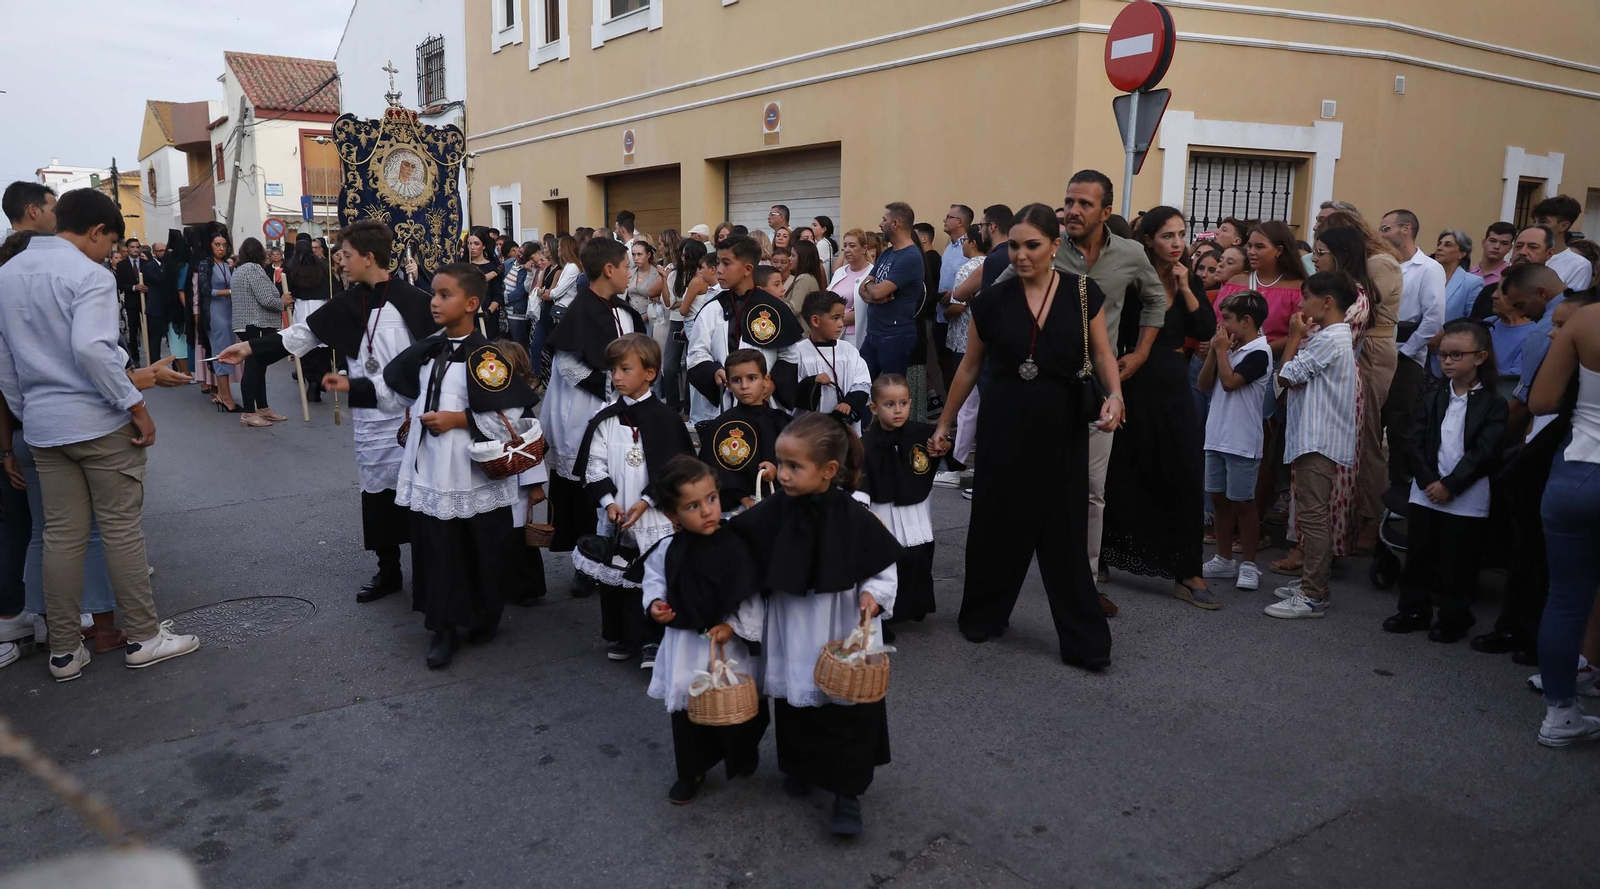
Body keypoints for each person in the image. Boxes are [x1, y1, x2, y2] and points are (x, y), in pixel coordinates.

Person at [0, 189, 201, 680]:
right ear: (95, 232)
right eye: (110, 243)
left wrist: (33, 411)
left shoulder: (6, 276)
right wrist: (137, 407)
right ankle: (144, 637)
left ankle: (64, 651)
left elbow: (4, 365)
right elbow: (93, 349)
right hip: (96, 420)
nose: (110, 253)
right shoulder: (88, 274)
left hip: (44, 426)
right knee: (120, 530)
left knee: (60, 537)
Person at [929, 204, 1124, 666]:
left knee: (1064, 532)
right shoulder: (992, 301)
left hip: (1062, 424)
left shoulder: (1082, 293)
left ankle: (1082, 640)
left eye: (1032, 245)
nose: (1020, 254)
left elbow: (1102, 353)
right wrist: (945, 422)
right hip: (1004, 421)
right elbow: (970, 367)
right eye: (1014, 245)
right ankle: (983, 616)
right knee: (997, 523)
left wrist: (1115, 395)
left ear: (1055, 246)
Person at [218, 221, 437, 603]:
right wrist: (250, 350)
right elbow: (301, 334)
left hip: (411, 414)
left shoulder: (415, 300)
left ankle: (430, 575)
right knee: (377, 494)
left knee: (419, 496)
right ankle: (389, 571)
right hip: (370, 414)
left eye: (347, 254)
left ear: (370, 257)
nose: (340, 261)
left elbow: (438, 358)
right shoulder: (348, 302)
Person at [346, 263, 542, 668]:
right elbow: (393, 394)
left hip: (472, 471)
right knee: (437, 549)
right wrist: (352, 387)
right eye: (433, 294)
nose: (434, 302)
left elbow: (511, 417)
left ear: (472, 304)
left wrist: (460, 420)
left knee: (480, 546)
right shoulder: (427, 350)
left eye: (444, 295)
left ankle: (485, 614)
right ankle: (444, 628)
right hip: (431, 470)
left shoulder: (488, 359)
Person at [729, 412, 900, 836]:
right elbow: (738, 544)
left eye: (793, 466)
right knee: (795, 700)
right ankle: (800, 765)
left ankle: (847, 793)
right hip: (792, 623)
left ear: (827, 471)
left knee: (845, 707)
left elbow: (882, 564)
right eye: (780, 463)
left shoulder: (855, 516)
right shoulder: (772, 511)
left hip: (840, 623)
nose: (781, 474)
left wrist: (873, 596)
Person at [1100, 207, 1219, 608]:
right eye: (1168, 236)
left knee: (1184, 472)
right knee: (1122, 468)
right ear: (1148, 240)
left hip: (1171, 379)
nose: (1177, 243)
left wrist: (1186, 288)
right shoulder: (1132, 277)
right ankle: (1102, 554)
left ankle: (1188, 572)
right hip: (1130, 377)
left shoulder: (1189, 278)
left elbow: (1204, 331)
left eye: (1182, 235)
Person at [632, 454, 767, 804]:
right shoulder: (667, 549)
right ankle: (691, 770)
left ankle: (743, 751)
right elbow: (654, 580)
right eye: (693, 506)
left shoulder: (736, 546)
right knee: (689, 709)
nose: (707, 511)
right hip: (688, 645)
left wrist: (732, 626)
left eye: (711, 499)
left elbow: (750, 595)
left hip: (728, 646)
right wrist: (655, 604)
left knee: (740, 705)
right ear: (673, 516)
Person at [1382, 318, 1506, 642]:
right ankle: (1413, 609)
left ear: (1480, 357)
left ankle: (1454, 616)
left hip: (1466, 494)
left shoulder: (1494, 403)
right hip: (1427, 490)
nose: (1447, 361)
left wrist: (1451, 485)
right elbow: (1414, 439)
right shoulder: (1434, 396)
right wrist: (1428, 481)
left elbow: (1485, 451)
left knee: (1458, 562)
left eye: (1456, 355)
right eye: (1443, 355)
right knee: (1420, 553)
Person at [574, 333, 694, 666]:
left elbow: (675, 468)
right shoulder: (606, 418)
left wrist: (646, 502)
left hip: (653, 515)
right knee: (617, 573)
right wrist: (609, 502)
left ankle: (654, 640)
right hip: (616, 514)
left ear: (650, 373)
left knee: (653, 575)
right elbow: (594, 464)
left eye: (626, 369)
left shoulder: (666, 419)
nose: (616, 377)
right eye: (614, 370)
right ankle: (623, 635)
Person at [539, 237, 645, 574]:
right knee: (584, 489)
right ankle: (584, 562)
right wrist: (611, 386)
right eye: (627, 266)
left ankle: (616, 551)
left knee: (618, 481)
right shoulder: (580, 310)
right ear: (609, 269)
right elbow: (567, 364)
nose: (631, 272)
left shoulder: (621, 309)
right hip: (584, 410)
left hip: (620, 410)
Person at [1526, 293, 1600, 747]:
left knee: (1566, 599)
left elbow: (1542, 401)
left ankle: (1560, 714)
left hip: (1577, 471)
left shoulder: (1587, 319)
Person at [1262, 272, 1359, 620]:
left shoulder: (1329, 340)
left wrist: (1292, 337)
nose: (1301, 305)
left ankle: (1313, 594)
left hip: (1318, 439)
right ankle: (1314, 583)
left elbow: (1286, 375)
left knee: (1313, 517)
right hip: (1314, 436)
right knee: (1311, 515)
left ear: (1327, 302)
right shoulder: (1331, 337)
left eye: (1306, 297)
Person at [1317, 210, 1404, 556]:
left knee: (1366, 432)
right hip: (1350, 342)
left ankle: (1369, 517)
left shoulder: (1381, 263)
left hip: (1371, 346)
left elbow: (1353, 305)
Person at [1199, 290, 1273, 592]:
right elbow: (1204, 384)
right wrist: (1214, 353)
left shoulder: (1258, 352)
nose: (1222, 324)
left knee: (1243, 502)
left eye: (1226, 318)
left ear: (1246, 321)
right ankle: (1224, 558)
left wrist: (1219, 352)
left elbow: (1230, 384)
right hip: (1216, 435)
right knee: (1218, 499)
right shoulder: (1229, 349)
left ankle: (1250, 564)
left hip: (1242, 441)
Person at [686, 236, 803, 423]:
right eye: (718, 263)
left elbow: (789, 355)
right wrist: (714, 371)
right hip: (724, 406)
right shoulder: (712, 310)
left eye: (726, 263)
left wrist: (773, 383)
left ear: (748, 269)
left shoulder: (774, 310)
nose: (719, 270)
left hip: (765, 407)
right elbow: (696, 353)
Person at [861, 374, 939, 638]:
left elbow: (941, 443)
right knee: (887, 562)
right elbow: (860, 478)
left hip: (912, 507)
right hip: (884, 510)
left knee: (918, 556)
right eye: (890, 404)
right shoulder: (866, 444)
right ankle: (881, 617)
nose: (898, 410)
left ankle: (913, 604)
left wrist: (944, 445)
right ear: (874, 407)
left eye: (904, 403)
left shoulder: (918, 431)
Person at [1380, 208, 1447, 492]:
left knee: (1400, 424)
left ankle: (1400, 487)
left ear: (1405, 229)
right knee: (1371, 420)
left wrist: (1406, 351)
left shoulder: (1429, 268)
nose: (1380, 233)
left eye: (1386, 228)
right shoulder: (1381, 264)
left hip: (1406, 355)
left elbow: (1433, 318)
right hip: (1378, 351)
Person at [695, 349, 788, 512]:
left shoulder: (782, 422)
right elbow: (715, 471)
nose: (744, 386)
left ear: (766, 380)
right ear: (728, 385)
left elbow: (797, 460)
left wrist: (777, 468)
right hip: (737, 508)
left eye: (752, 378)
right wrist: (742, 497)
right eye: (737, 380)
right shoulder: (723, 424)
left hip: (779, 503)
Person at [495, 339, 550, 606]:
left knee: (520, 538)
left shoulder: (522, 407)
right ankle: (504, 584)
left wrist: (536, 484)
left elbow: (535, 446)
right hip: (497, 479)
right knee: (501, 535)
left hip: (520, 481)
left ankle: (528, 588)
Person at [859, 203, 926, 380]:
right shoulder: (888, 253)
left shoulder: (910, 257)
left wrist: (874, 291)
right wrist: (873, 293)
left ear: (895, 224)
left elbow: (878, 291)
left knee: (891, 389)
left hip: (895, 336)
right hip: (874, 333)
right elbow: (863, 288)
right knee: (859, 384)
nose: (880, 224)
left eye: (884, 220)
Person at [228, 238, 286, 427]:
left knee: (259, 367)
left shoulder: (238, 270)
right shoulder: (253, 269)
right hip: (256, 323)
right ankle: (248, 412)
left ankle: (262, 407)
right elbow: (265, 299)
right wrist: (282, 303)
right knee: (253, 368)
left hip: (246, 323)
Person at [796, 290, 871, 433]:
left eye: (842, 317)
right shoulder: (799, 353)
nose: (841, 324)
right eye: (835, 318)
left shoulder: (849, 351)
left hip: (846, 429)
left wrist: (850, 403)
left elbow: (863, 382)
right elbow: (791, 389)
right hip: (810, 430)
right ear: (815, 321)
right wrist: (813, 381)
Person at [283, 233, 332, 402]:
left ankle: (312, 380)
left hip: (302, 308)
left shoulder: (290, 266)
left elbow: (285, 288)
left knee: (306, 346)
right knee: (322, 346)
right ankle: (319, 381)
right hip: (321, 307)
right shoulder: (322, 265)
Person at [197, 234, 241, 412]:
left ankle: (225, 394)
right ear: (210, 246)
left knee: (228, 352)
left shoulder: (225, 264)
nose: (221, 248)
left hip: (229, 312)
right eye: (217, 245)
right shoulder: (205, 264)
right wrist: (229, 291)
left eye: (224, 245)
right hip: (215, 313)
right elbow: (205, 290)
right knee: (221, 353)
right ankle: (225, 397)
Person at [1533, 195, 1593, 292]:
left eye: (1543, 222)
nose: (1535, 227)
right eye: (1534, 221)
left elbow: (1569, 303)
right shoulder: (1525, 254)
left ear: (1564, 226)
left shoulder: (1578, 265)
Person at [827, 229, 874, 349]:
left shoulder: (872, 273)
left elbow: (868, 309)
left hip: (856, 335)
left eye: (852, 246)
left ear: (864, 248)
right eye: (845, 246)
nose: (847, 250)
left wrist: (836, 318)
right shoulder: (840, 272)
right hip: (835, 333)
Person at [1489, 276, 1540, 377]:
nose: (1494, 295)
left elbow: (1514, 379)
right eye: (1496, 288)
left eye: (1502, 290)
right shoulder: (1487, 324)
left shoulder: (1535, 335)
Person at [1436, 230, 1485, 324]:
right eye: (1439, 244)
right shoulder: (1430, 277)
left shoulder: (1472, 283)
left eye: (1448, 245)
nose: (1439, 248)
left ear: (1462, 253)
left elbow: (1471, 320)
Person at [466, 232, 502, 336]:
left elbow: (498, 295)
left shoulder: (492, 266)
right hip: (467, 315)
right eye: (469, 243)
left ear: (484, 246)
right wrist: (493, 274)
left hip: (487, 315)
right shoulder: (463, 266)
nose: (472, 247)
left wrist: (489, 311)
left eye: (476, 244)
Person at [786, 240, 825, 321]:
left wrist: (774, 304)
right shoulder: (810, 277)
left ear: (803, 258)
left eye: (793, 255)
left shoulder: (804, 278)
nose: (789, 258)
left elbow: (794, 309)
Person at [1472, 222, 1515, 287]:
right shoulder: (1467, 272)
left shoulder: (1511, 278)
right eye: (1493, 241)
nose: (1497, 246)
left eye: (1504, 243)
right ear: (1483, 242)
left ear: (1510, 248)